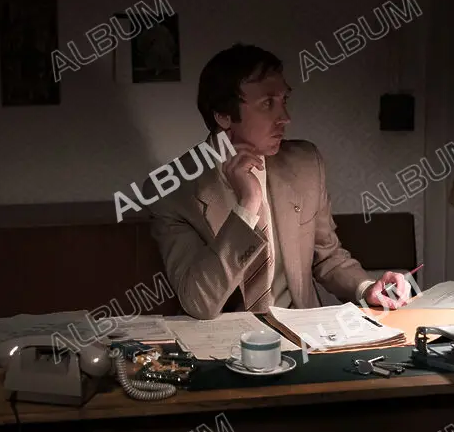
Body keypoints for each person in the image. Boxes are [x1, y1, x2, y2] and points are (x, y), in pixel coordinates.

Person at [146, 43, 411, 320]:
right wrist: (248, 205)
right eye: (267, 103)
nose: (285, 118)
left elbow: (328, 257)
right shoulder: (172, 191)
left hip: (302, 333)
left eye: (284, 100)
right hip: (227, 339)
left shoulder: (306, 164)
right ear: (223, 116)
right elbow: (199, 302)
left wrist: (367, 288)